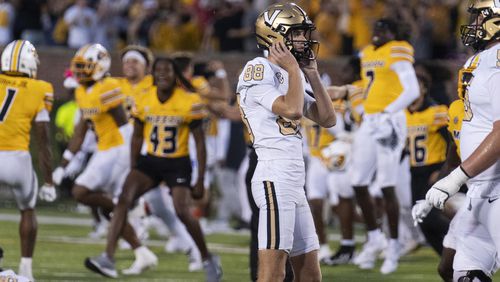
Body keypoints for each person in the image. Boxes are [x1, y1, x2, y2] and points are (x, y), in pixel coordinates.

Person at [87, 57, 223, 282]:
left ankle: (208, 257)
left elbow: (199, 142)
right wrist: (133, 167)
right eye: (158, 71)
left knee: (181, 210)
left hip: (177, 162)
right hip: (150, 160)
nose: (162, 75)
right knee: (123, 200)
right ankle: (107, 258)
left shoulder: (189, 101)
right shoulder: (143, 98)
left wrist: (199, 179)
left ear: (175, 75)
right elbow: (137, 135)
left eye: (167, 71)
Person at [237, 3, 336, 281]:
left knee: (309, 271)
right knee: (272, 274)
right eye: (298, 34)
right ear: (275, 37)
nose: (304, 40)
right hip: (274, 175)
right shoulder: (257, 68)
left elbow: (328, 118)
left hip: (293, 179)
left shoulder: (289, 74)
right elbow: (291, 110)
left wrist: (312, 74)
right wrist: (294, 70)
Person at [53, 43, 157, 278]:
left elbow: (125, 127)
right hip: (104, 150)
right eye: (78, 67)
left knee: (117, 204)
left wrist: (132, 162)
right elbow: (81, 130)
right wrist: (64, 164)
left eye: (85, 67)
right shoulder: (81, 91)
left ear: (99, 67)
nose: (80, 72)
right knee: (81, 192)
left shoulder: (108, 86)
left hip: (121, 148)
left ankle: (108, 259)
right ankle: (141, 252)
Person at [413, 1, 500, 280]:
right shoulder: (481, 60)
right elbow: (466, 135)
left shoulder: (496, 63)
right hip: (482, 189)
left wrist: (454, 180)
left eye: (478, 19)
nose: (472, 26)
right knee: (462, 273)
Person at [117, 45, 203, 272]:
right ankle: (142, 242)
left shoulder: (153, 84)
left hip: (159, 152)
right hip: (128, 149)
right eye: (126, 62)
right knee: (158, 206)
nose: (129, 66)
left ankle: (140, 236)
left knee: (164, 206)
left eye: (135, 61)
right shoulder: (116, 85)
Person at [351, 18, 419, 274]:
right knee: (357, 182)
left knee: (387, 185)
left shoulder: (398, 48)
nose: (377, 33)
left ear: (394, 32)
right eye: (375, 28)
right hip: (369, 119)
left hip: (390, 118)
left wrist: (388, 112)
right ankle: (374, 237)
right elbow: (370, 86)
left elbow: (411, 90)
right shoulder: (367, 52)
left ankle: (393, 246)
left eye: (383, 29)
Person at [0, 39, 55, 281]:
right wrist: (49, 181)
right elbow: (43, 139)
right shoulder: (39, 87)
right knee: (27, 208)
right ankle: (25, 271)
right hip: (17, 160)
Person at [406, 65, 450, 255]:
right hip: (414, 173)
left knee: (431, 217)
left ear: (424, 88)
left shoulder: (437, 112)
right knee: (421, 221)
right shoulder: (402, 114)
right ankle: (447, 258)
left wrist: (442, 171)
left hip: (434, 171)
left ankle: (464, 248)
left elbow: (453, 143)